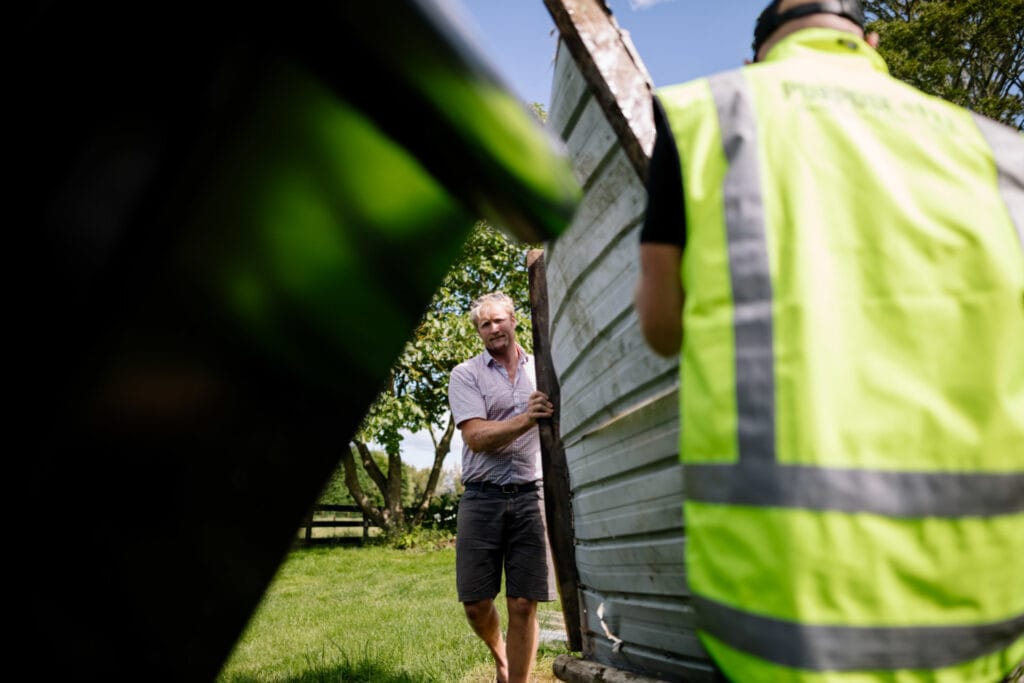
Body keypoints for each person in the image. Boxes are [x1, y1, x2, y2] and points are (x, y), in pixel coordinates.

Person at [634, 1, 1024, 681]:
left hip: (782, 619)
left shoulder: (707, 114)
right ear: (870, 42)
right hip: (980, 620)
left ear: (759, 56)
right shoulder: (999, 150)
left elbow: (660, 328)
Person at [447, 291, 558, 683]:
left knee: (524, 602)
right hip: (482, 497)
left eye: (498, 320)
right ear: (478, 332)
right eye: (484, 324)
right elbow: (476, 436)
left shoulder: (541, 370)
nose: (493, 329)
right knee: (476, 604)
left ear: (513, 320)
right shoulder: (466, 374)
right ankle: (502, 658)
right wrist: (527, 418)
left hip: (532, 494)